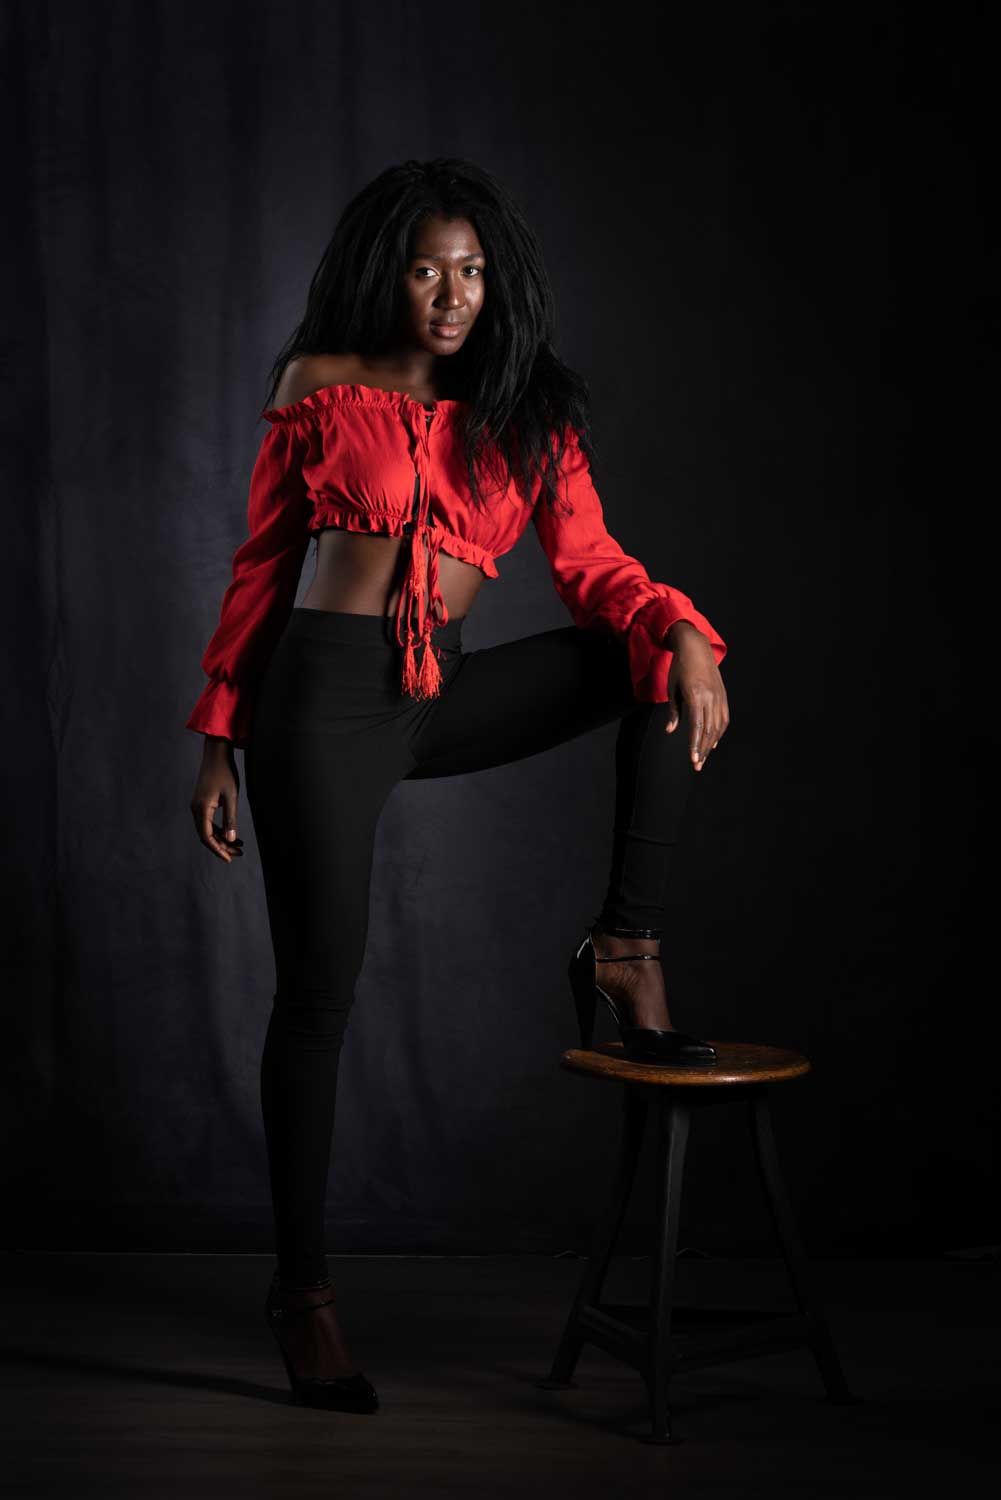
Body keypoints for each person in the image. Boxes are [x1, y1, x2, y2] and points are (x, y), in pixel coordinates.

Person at [185, 158, 729, 1410]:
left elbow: (592, 567)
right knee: (319, 993)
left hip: (439, 693)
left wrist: (682, 627)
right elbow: (263, 567)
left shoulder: (528, 411)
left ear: (499, 280)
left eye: (472, 271)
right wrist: (219, 734)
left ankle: (623, 946)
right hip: (320, 702)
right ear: (391, 271)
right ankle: (303, 1293)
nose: (450, 294)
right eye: (428, 269)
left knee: (644, 648)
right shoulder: (321, 386)